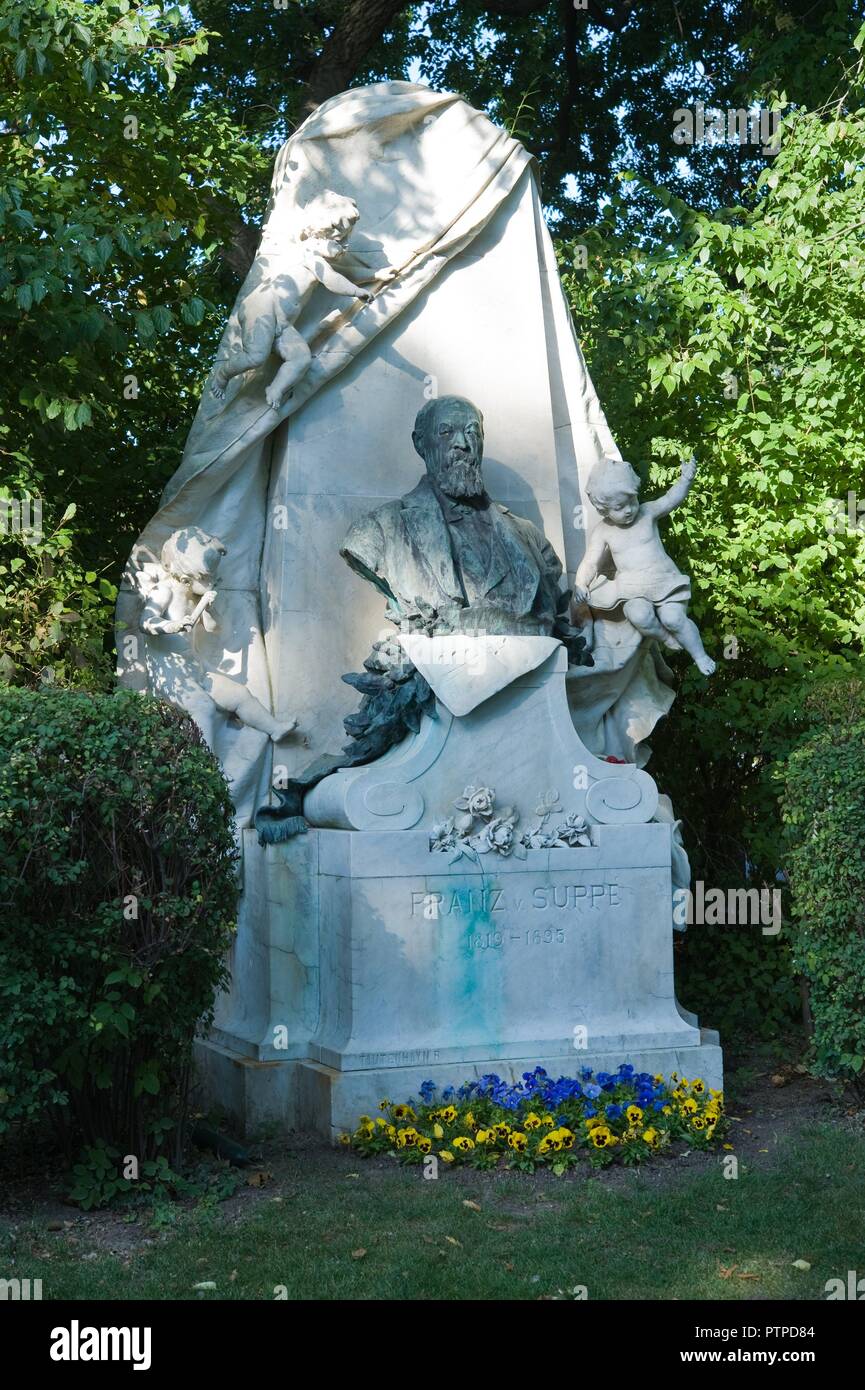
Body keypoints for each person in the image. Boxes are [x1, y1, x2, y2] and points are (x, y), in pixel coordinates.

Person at [571, 456, 715, 676]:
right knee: (639, 615)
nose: (629, 510)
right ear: (604, 510)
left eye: (632, 501)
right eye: (620, 507)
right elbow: (590, 562)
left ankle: (700, 655)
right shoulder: (603, 531)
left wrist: (686, 479)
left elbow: (670, 499)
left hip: (664, 581)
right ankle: (665, 638)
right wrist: (581, 582)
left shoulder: (647, 513)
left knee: (674, 618)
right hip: (633, 590)